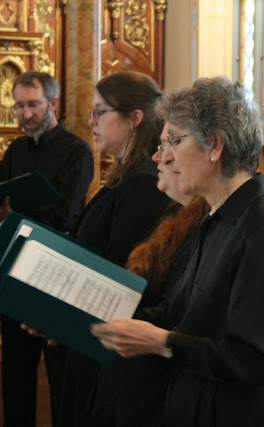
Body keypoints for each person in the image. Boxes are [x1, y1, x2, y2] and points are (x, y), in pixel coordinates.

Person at [91, 76, 264, 426]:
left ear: (215, 146)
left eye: (174, 140)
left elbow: (255, 357)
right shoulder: (214, 216)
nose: (165, 155)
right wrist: (100, 314)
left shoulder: (262, 225)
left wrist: (162, 342)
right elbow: (180, 312)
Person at [57, 71, 172, 425]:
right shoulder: (126, 176)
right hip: (96, 343)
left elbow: (124, 275)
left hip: (116, 356)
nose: (91, 121)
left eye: (100, 112)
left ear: (134, 118)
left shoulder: (143, 185)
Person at [90, 138, 210, 426]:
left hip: (157, 386)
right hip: (132, 376)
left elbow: (178, 315)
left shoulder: (209, 228)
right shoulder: (176, 215)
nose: (157, 157)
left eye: (171, 144)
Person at [0, 70, 94, 427]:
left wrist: (17, 210)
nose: (26, 114)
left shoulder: (76, 150)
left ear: (53, 103)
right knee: (15, 373)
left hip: (57, 270)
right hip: (15, 268)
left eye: (33, 105)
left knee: (60, 373)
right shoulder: (16, 149)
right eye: (20, 106)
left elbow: (67, 214)